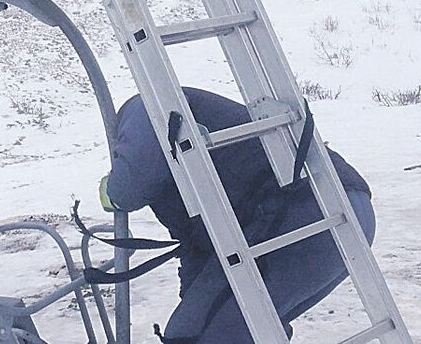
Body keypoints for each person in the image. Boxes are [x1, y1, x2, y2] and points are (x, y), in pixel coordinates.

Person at [102, 87, 374, 343]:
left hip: (304, 209)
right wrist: (193, 299)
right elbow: (198, 247)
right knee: (239, 328)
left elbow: (131, 183)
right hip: (339, 207)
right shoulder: (186, 169)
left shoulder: (145, 108)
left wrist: (110, 192)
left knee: (194, 335)